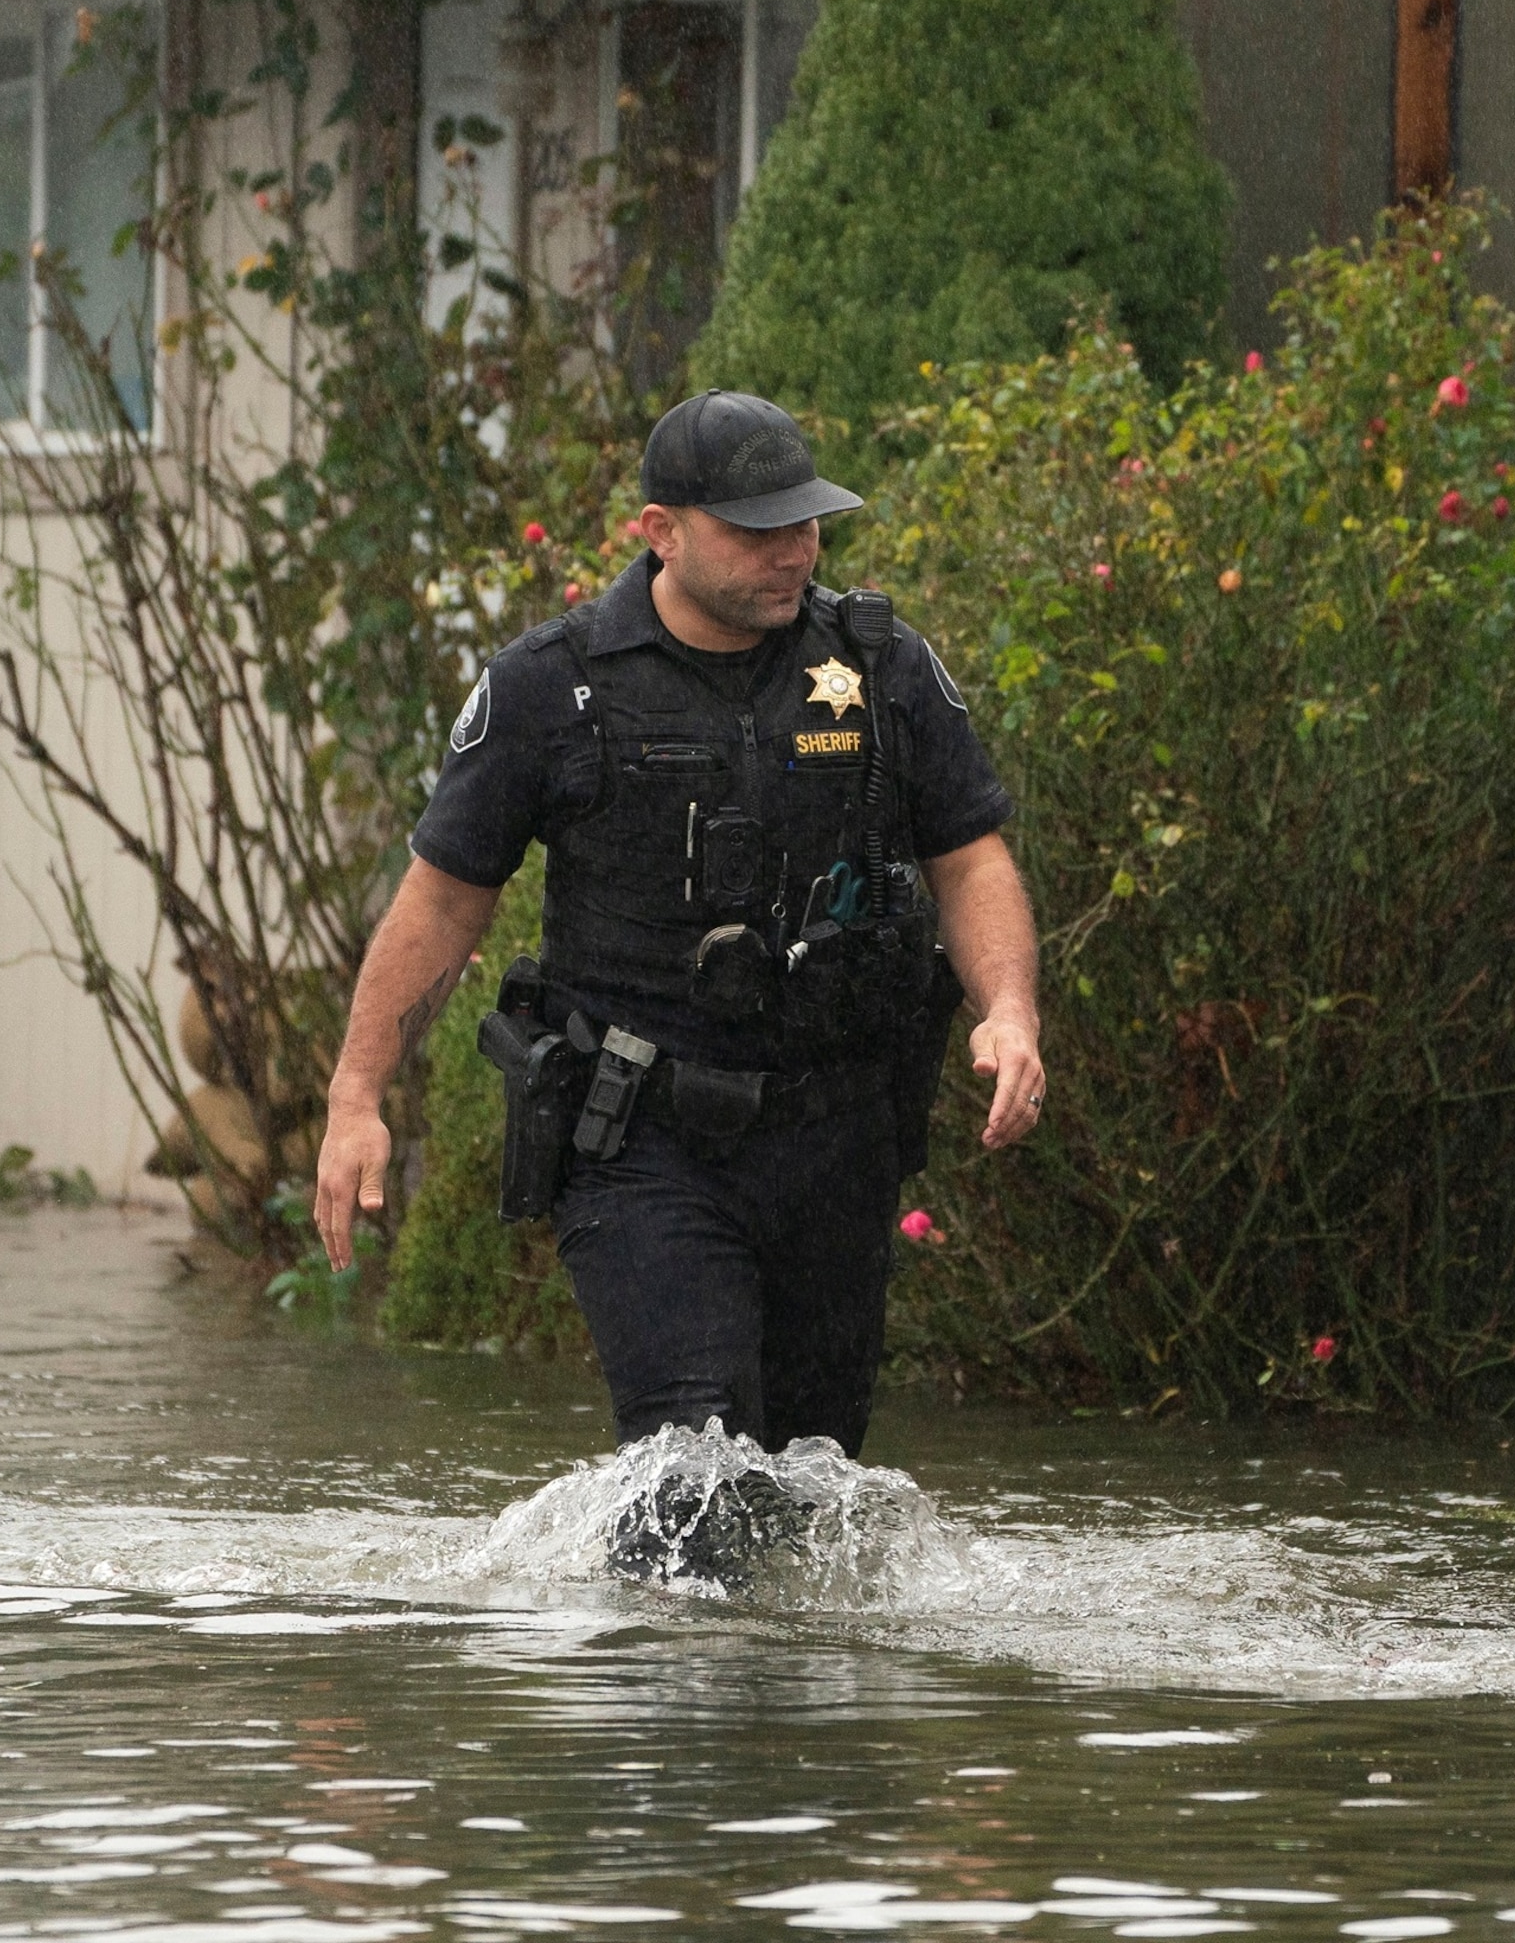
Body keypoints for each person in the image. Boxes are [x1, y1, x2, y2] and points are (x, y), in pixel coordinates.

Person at [312, 389, 1045, 1480]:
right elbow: (444, 902)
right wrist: (356, 1096)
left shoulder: (876, 667)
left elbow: (968, 858)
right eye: (756, 530)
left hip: (836, 1139)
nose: (793, 552)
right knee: (693, 1466)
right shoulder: (552, 686)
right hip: (644, 1143)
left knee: (812, 1481)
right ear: (661, 530)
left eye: (806, 522)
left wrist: (1010, 1011)